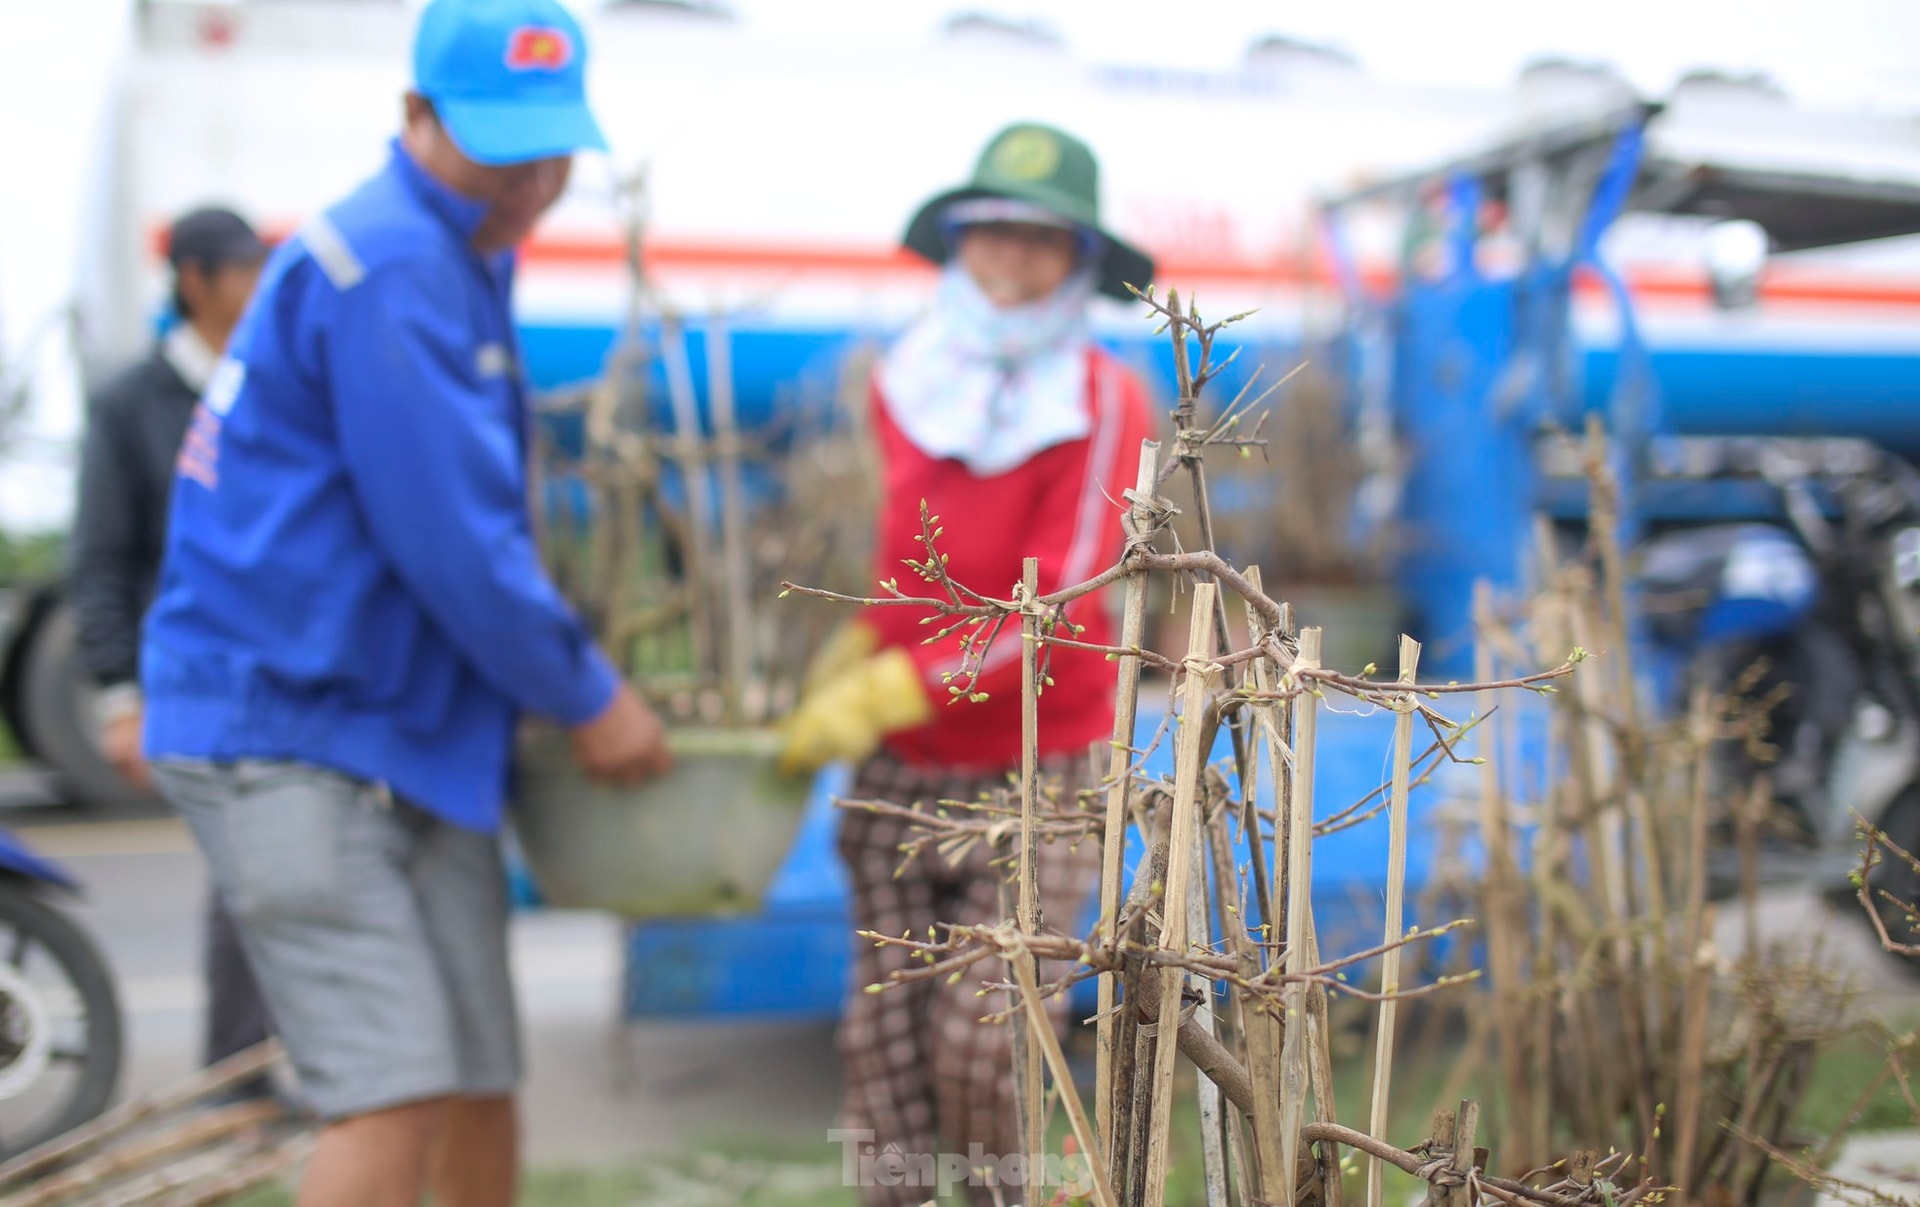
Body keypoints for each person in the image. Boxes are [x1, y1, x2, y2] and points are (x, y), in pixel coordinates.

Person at [138, 1, 671, 1204]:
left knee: (478, 1068)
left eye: (553, 148)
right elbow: (455, 544)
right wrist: (590, 697)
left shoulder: (462, 244)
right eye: (502, 146)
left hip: (398, 731)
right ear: (416, 119)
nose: (535, 180)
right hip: (292, 729)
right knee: (391, 1086)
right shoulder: (391, 265)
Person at [779, 122, 1156, 1207]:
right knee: (883, 1051)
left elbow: (1066, 606)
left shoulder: (1101, 397)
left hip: (1039, 764)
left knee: (987, 1043)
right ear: (959, 240)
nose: (1011, 260)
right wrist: (861, 652)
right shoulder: (908, 375)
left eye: (1042, 240)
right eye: (992, 231)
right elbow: (901, 557)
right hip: (902, 766)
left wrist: (904, 682)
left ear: (1080, 259)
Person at [69, 205, 274, 1083]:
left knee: (271, 874)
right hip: (187, 673)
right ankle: (238, 1072)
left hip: (275, 671)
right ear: (195, 279)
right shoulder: (134, 404)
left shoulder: (268, 384)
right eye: (244, 269)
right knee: (244, 873)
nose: (260, 286)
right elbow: (103, 555)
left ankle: (254, 1065)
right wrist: (121, 695)